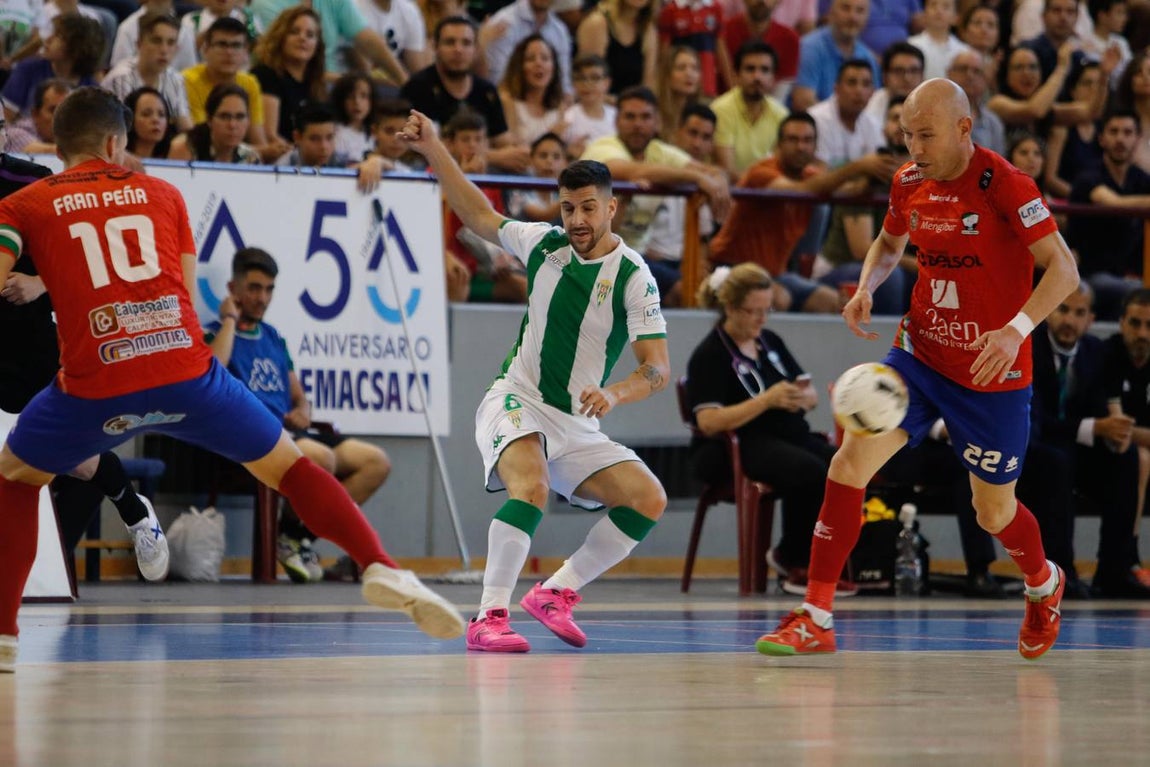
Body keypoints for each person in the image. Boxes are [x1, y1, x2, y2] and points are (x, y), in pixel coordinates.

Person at [0, 87, 464, 672]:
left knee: (15, 479)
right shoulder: (165, 194)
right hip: (186, 372)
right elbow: (185, 292)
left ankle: (5, 635)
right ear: (118, 142)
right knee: (291, 466)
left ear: (57, 145)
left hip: (95, 383)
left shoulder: (25, 202)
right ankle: (380, 564)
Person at [756, 78, 1080, 659]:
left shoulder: (1006, 184)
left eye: (926, 135)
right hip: (921, 354)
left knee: (992, 511)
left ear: (964, 127)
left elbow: (1064, 271)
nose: (914, 149)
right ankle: (816, 615)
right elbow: (887, 244)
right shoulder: (909, 182)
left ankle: (1043, 582)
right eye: (906, 135)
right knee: (849, 462)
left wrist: (1015, 330)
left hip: (991, 373)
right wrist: (864, 288)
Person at [400, 109, 671, 653]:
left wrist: (614, 393)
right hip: (516, 400)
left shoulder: (633, 277)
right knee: (532, 488)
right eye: (568, 207)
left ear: (612, 208)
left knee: (648, 499)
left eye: (588, 208)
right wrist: (434, 149)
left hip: (577, 420)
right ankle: (488, 616)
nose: (576, 219)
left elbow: (657, 368)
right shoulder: (543, 244)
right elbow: (476, 214)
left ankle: (556, 593)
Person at [0, 118, 169, 584]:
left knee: (71, 453)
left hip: (25, 341)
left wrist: (40, 283)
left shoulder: (32, 183)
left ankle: (134, 510)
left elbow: (87, 259)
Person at [204, 248, 393, 584]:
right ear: (233, 289)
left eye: (269, 289)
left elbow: (298, 395)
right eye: (254, 288)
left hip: (290, 432)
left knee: (375, 462)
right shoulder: (215, 332)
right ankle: (292, 536)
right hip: (253, 438)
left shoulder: (274, 337)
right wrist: (229, 321)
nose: (263, 298)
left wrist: (303, 409)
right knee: (323, 459)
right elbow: (211, 373)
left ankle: (294, 536)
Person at [687, 263, 849, 595]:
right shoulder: (710, 353)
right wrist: (767, 400)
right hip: (741, 442)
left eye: (767, 310)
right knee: (808, 471)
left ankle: (834, 563)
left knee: (844, 467)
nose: (762, 319)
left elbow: (808, 390)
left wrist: (800, 399)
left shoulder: (770, 341)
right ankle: (791, 557)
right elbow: (708, 421)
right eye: (753, 311)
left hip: (788, 433)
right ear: (730, 308)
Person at [708, 112, 897, 313]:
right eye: (793, 140)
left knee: (836, 303)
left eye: (808, 140)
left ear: (815, 147)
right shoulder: (761, 173)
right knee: (778, 298)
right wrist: (859, 166)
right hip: (733, 269)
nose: (801, 147)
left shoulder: (810, 176)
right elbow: (802, 191)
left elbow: (846, 191)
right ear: (778, 145)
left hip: (776, 275)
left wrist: (874, 178)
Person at [1025, 283, 1146, 597]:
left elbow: (1102, 408)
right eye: (1063, 310)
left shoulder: (1096, 351)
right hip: (1035, 452)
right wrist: (1095, 428)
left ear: (1091, 319)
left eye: (1080, 313)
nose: (1070, 321)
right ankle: (1061, 572)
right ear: (1049, 311)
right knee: (1057, 461)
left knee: (1126, 458)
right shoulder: (1028, 347)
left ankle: (1114, 571)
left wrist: (1114, 433)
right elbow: (1035, 420)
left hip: (1076, 450)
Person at [168, 83, 261, 163]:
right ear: (209, 119)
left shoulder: (250, 158)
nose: (232, 125)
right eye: (225, 117)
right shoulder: (186, 147)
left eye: (240, 117)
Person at [124, 85, 177, 158]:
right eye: (146, 114)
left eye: (161, 115)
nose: (156, 120)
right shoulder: (118, 159)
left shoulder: (172, 159)